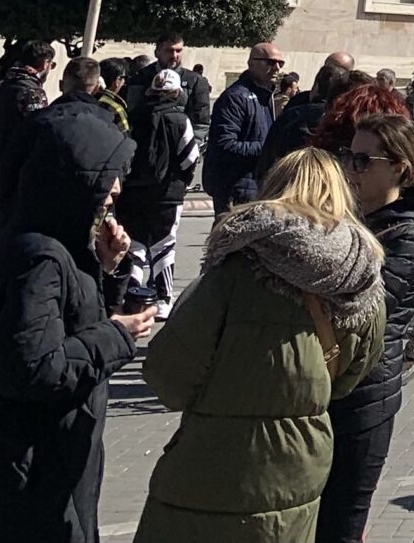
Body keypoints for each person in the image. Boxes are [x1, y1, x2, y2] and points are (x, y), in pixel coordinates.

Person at [0, 89, 153, 542]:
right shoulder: (38, 256)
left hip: (35, 461)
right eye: (105, 178)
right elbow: (31, 367)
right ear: (70, 179)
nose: (115, 190)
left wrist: (107, 269)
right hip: (22, 471)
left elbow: (68, 317)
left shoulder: (47, 242)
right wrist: (117, 335)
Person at [135, 148, 382, 541]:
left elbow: (169, 373)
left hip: (211, 464)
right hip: (299, 462)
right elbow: (351, 375)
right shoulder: (361, 273)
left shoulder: (235, 267)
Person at [316, 113, 414, 543]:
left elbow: (369, 308)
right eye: (349, 157)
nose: (351, 169)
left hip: (366, 395)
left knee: (344, 518)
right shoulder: (350, 218)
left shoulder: (407, 232)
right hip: (327, 386)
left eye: (364, 161)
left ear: (399, 167)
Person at [118, 67, 199, 319]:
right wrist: (181, 182)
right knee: (164, 246)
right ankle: (163, 299)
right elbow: (190, 158)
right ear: (176, 93)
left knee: (136, 245)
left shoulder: (135, 116)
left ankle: (131, 295)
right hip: (168, 193)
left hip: (133, 192)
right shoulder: (179, 119)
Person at [0, 37, 54, 270]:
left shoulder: (1, 87)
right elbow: (38, 132)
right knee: (6, 231)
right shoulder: (31, 93)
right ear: (45, 63)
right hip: (11, 173)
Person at [204, 42, 286, 210]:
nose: (276, 68)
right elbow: (225, 145)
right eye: (270, 62)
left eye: (280, 63)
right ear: (251, 63)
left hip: (259, 186)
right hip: (236, 188)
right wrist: (267, 148)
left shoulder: (267, 96)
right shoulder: (236, 97)